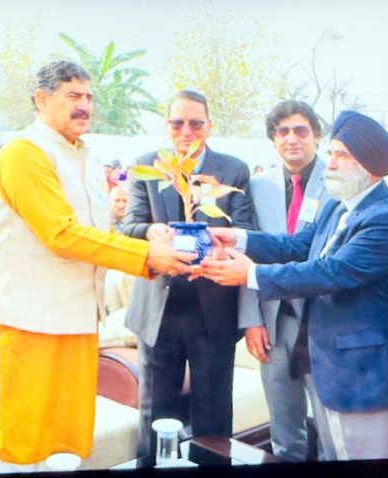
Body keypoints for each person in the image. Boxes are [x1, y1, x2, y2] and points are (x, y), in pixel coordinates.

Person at [0, 60, 195, 473]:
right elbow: (61, 233)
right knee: (18, 447)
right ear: (42, 99)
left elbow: (97, 231)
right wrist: (144, 258)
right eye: (73, 96)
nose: (84, 106)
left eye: (88, 97)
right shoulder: (24, 153)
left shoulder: (85, 156)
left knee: (62, 446)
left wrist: (152, 239)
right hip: (27, 323)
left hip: (77, 322)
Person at [200, 111, 388, 461]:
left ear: (371, 165)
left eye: (342, 155)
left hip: (365, 379)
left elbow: (330, 273)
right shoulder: (339, 206)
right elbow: (298, 247)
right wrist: (238, 239)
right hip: (333, 370)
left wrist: (251, 275)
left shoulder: (386, 220)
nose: (330, 163)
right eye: (331, 153)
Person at [123, 89, 254, 465]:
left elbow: (246, 230)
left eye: (196, 123)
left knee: (213, 417)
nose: (187, 131)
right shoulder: (146, 167)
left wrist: (220, 248)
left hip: (213, 311)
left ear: (209, 127)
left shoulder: (234, 170)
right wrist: (154, 233)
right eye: (178, 123)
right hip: (158, 311)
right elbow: (129, 225)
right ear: (167, 126)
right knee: (154, 416)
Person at [238, 100, 331, 461]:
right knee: (284, 432)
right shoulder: (258, 186)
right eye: (283, 132)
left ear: (317, 136)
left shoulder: (339, 180)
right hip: (274, 324)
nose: (292, 139)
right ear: (273, 139)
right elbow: (249, 255)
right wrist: (251, 320)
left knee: (330, 433)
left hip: (323, 324)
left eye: (301, 130)